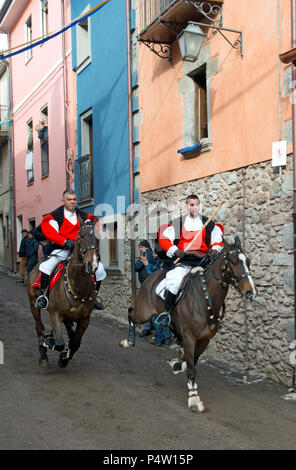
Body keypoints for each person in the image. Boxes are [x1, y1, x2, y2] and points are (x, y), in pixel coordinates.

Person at [157, 195, 224, 326]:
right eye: (191, 205)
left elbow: (217, 240)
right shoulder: (177, 223)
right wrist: (175, 251)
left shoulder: (208, 223)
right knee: (174, 281)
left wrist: (215, 250)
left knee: (215, 284)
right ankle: (166, 313)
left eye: (197, 204)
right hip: (184, 262)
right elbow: (164, 239)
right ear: (186, 207)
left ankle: (215, 317)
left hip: (204, 262)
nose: (194, 207)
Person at [35, 189, 96, 309]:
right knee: (46, 267)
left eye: (74, 199)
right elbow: (51, 233)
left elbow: (88, 229)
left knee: (98, 269)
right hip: (61, 249)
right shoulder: (55, 216)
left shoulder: (82, 215)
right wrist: (65, 242)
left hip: (80, 251)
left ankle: (94, 297)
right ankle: (44, 296)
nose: (72, 202)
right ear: (63, 201)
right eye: (69, 200)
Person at [141, 249, 172, 347]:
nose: (153, 255)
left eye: (155, 253)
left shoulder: (160, 265)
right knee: (165, 316)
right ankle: (167, 339)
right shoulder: (170, 264)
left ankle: (158, 340)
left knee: (156, 317)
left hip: (158, 294)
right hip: (167, 294)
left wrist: (146, 265)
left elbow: (152, 276)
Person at [134, 239, 156, 337]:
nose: (140, 249)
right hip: (150, 283)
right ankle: (151, 326)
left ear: (146, 247)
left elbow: (136, 267)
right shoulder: (151, 254)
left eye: (141, 247)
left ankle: (147, 328)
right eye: (139, 247)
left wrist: (140, 262)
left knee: (147, 305)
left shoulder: (146, 254)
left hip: (147, 284)